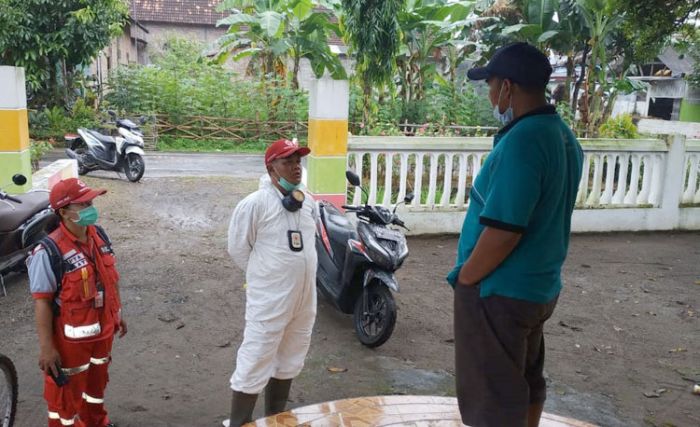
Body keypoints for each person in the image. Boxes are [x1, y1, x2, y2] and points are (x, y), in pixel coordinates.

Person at [446, 42, 583, 427]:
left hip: (500, 292)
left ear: (508, 87)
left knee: (493, 400)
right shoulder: (562, 136)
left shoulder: (524, 141)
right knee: (525, 379)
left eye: (490, 84)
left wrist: (466, 279)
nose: (490, 94)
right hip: (538, 286)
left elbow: (505, 231)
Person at [225, 138, 317, 426]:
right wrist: (266, 277)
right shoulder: (254, 204)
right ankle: (240, 421)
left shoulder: (308, 201)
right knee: (256, 357)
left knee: (291, 356)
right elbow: (239, 248)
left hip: (304, 299)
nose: (295, 167)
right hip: (270, 298)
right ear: (271, 168)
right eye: (287, 161)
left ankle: (275, 419)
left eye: (297, 161)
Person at [27, 178, 127, 427]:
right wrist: (47, 348)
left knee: (96, 387)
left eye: (90, 202)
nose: (90, 207)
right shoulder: (48, 251)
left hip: (102, 334)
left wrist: (117, 313)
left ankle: (97, 422)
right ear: (64, 212)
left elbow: (110, 280)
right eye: (83, 204)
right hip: (70, 344)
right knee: (65, 402)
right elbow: (42, 303)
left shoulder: (98, 235)